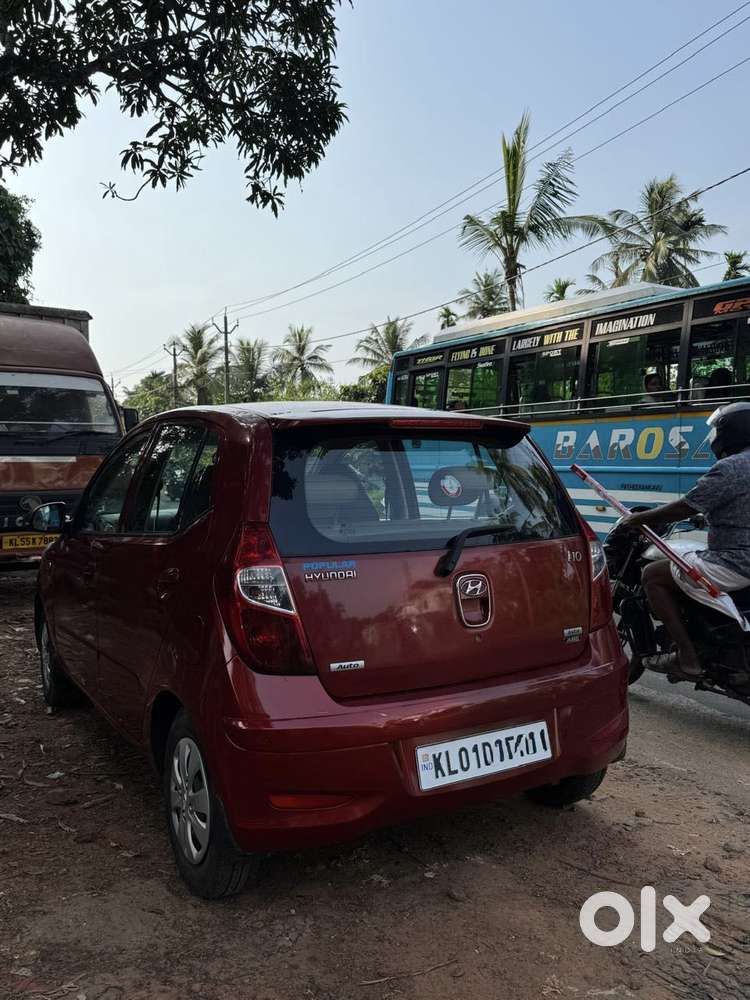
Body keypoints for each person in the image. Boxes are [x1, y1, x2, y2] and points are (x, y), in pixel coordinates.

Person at [613, 401, 750, 680]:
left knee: (652, 575)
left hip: (735, 562)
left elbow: (685, 506)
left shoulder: (731, 467)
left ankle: (687, 657)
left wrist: (638, 519)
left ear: (730, 433)